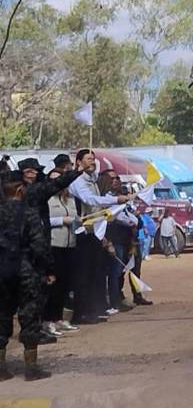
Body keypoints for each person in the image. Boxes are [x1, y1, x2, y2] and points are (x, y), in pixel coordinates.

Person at [68, 150, 132, 324]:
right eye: (88, 159)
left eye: (94, 159)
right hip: (82, 233)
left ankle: (93, 310)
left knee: (96, 273)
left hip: (95, 232)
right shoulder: (77, 181)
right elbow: (90, 200)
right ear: (79, 162)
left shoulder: (93, 180)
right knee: (84, 275)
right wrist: (115, 200)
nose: (93, 162)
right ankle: (80, 313)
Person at [0, 172, 52, 381]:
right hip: (26, 270)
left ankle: (1, 369)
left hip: (2, 270)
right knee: (30, 317)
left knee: (2, 316)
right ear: (20, 190)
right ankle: (31, 368)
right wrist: (48, 269)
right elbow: (40, 246)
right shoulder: (29, 213)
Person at [43, 170, 81, 335]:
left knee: (66, 283)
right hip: (53, 245)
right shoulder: (46, 200)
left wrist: (79, 222)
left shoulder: (71, 199)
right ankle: (47, 320)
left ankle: (59, 319)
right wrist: (61, 221)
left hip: (70, 245)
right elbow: (42, 220)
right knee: (53, 285)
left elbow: (75, 217)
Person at [98, 169, 136, 313]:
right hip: (112, 238)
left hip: (123, 238)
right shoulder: (105, 199)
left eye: (117, 178)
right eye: (111, 178)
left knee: (119, 272)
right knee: (113, 272)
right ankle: (112, 302)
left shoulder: (119, 196)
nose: (115, 181)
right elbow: (118, 217)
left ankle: (117, 298)